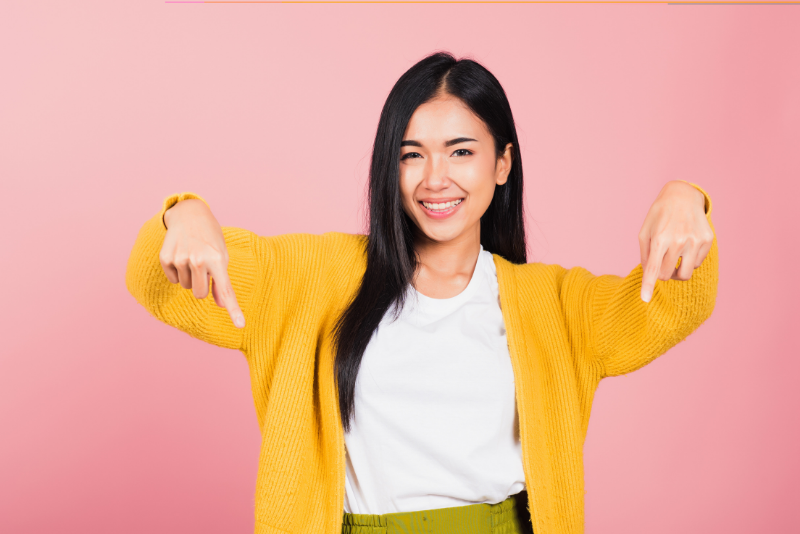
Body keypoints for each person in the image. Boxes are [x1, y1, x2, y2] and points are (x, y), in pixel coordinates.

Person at [125, 52, 718, 534]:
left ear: (502, 163)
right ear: (391, 167)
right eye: (412, 155)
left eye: (462, 151)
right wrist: (185, 214)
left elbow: (671, 304)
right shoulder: (312, 277)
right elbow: (159, 281)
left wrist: (684, 197)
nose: (436, 178)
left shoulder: (555, 304)